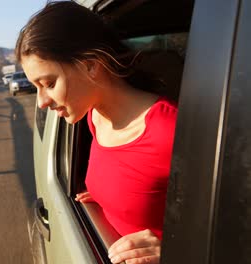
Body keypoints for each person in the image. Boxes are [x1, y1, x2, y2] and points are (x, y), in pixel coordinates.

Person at [15, 1, 177, 264]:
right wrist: (107, 195)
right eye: (36, 87)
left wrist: (177, 249)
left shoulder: (168, 130)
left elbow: (234, 225)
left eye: (49, 83)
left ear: (91, 65)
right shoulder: (94, 118)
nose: (42, 101)